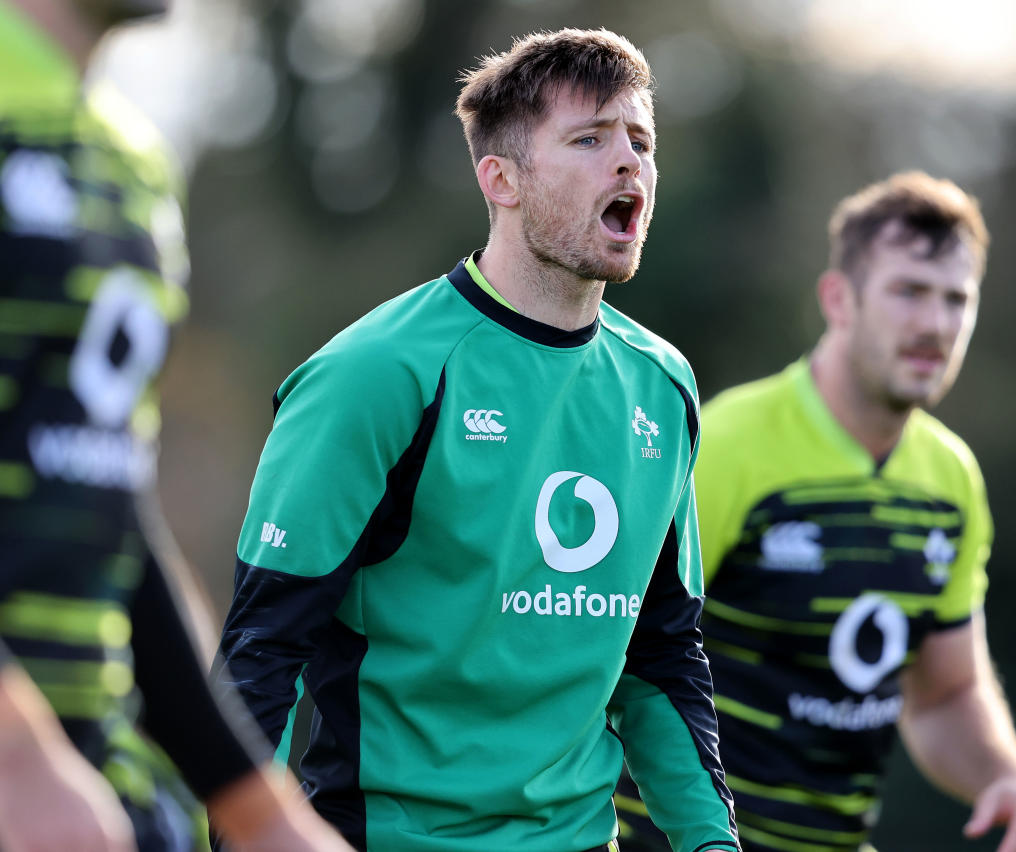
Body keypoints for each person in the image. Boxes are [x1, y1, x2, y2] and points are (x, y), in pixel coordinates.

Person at [214, 27, 738, 852]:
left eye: (641, 139)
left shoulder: (663, 387)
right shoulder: (375, 373)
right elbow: (262, 656)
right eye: (590, 138)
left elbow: (662, 657)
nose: (629, 161)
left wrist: (713, 845)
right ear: (501, 180)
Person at [615, 172, 1016, 852]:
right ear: (838, 300)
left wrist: (1009, 775)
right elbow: (614, 648)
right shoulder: (730, 443)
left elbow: (944, 696)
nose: (935, 325)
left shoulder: (951, 481)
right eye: (909, 291)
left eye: (956, 300)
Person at [0, 1, 355, 850]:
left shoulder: (131, 158)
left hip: (87, 785)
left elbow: (103, 500)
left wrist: (258, 809)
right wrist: (16, 762)